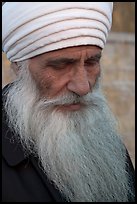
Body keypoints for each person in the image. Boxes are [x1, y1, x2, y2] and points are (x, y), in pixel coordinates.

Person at [2, 2, 135, 202]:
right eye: (61, 65)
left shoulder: (105, 139)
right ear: (19, 67)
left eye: (91, 62)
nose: (83, 87)